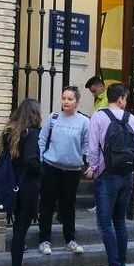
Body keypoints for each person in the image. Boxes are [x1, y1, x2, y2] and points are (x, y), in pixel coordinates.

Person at [86, 83, 134, 266]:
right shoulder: (133, 119)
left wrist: (94, 168)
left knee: (104, 223)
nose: (125, 102)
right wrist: (131, 166)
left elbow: (93, 147)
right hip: (126, 176)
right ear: (120, 98)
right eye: (125, 98)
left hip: (107, 175)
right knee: (120, 222)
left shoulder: (98, 117)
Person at [38, 86, 89, 255]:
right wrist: (40, 160)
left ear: (77, 102)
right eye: (64, 98)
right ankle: (44, 241)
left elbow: (87, 145)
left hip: (72, 170)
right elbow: (42, 139)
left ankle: (70, 240)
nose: (66, 102)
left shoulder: (84, 121)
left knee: (68, 206)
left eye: (70, 99)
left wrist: (88, 162)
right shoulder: (53, 118)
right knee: (47, 204)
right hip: (51, 166)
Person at [0, 98, 43, 266]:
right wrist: (42, 171)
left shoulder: (9, 131)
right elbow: (31, 160)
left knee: (18, 228)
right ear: (34, 113)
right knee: (20, 230)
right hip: (28, 186)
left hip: (12, 185)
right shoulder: (31, 132)